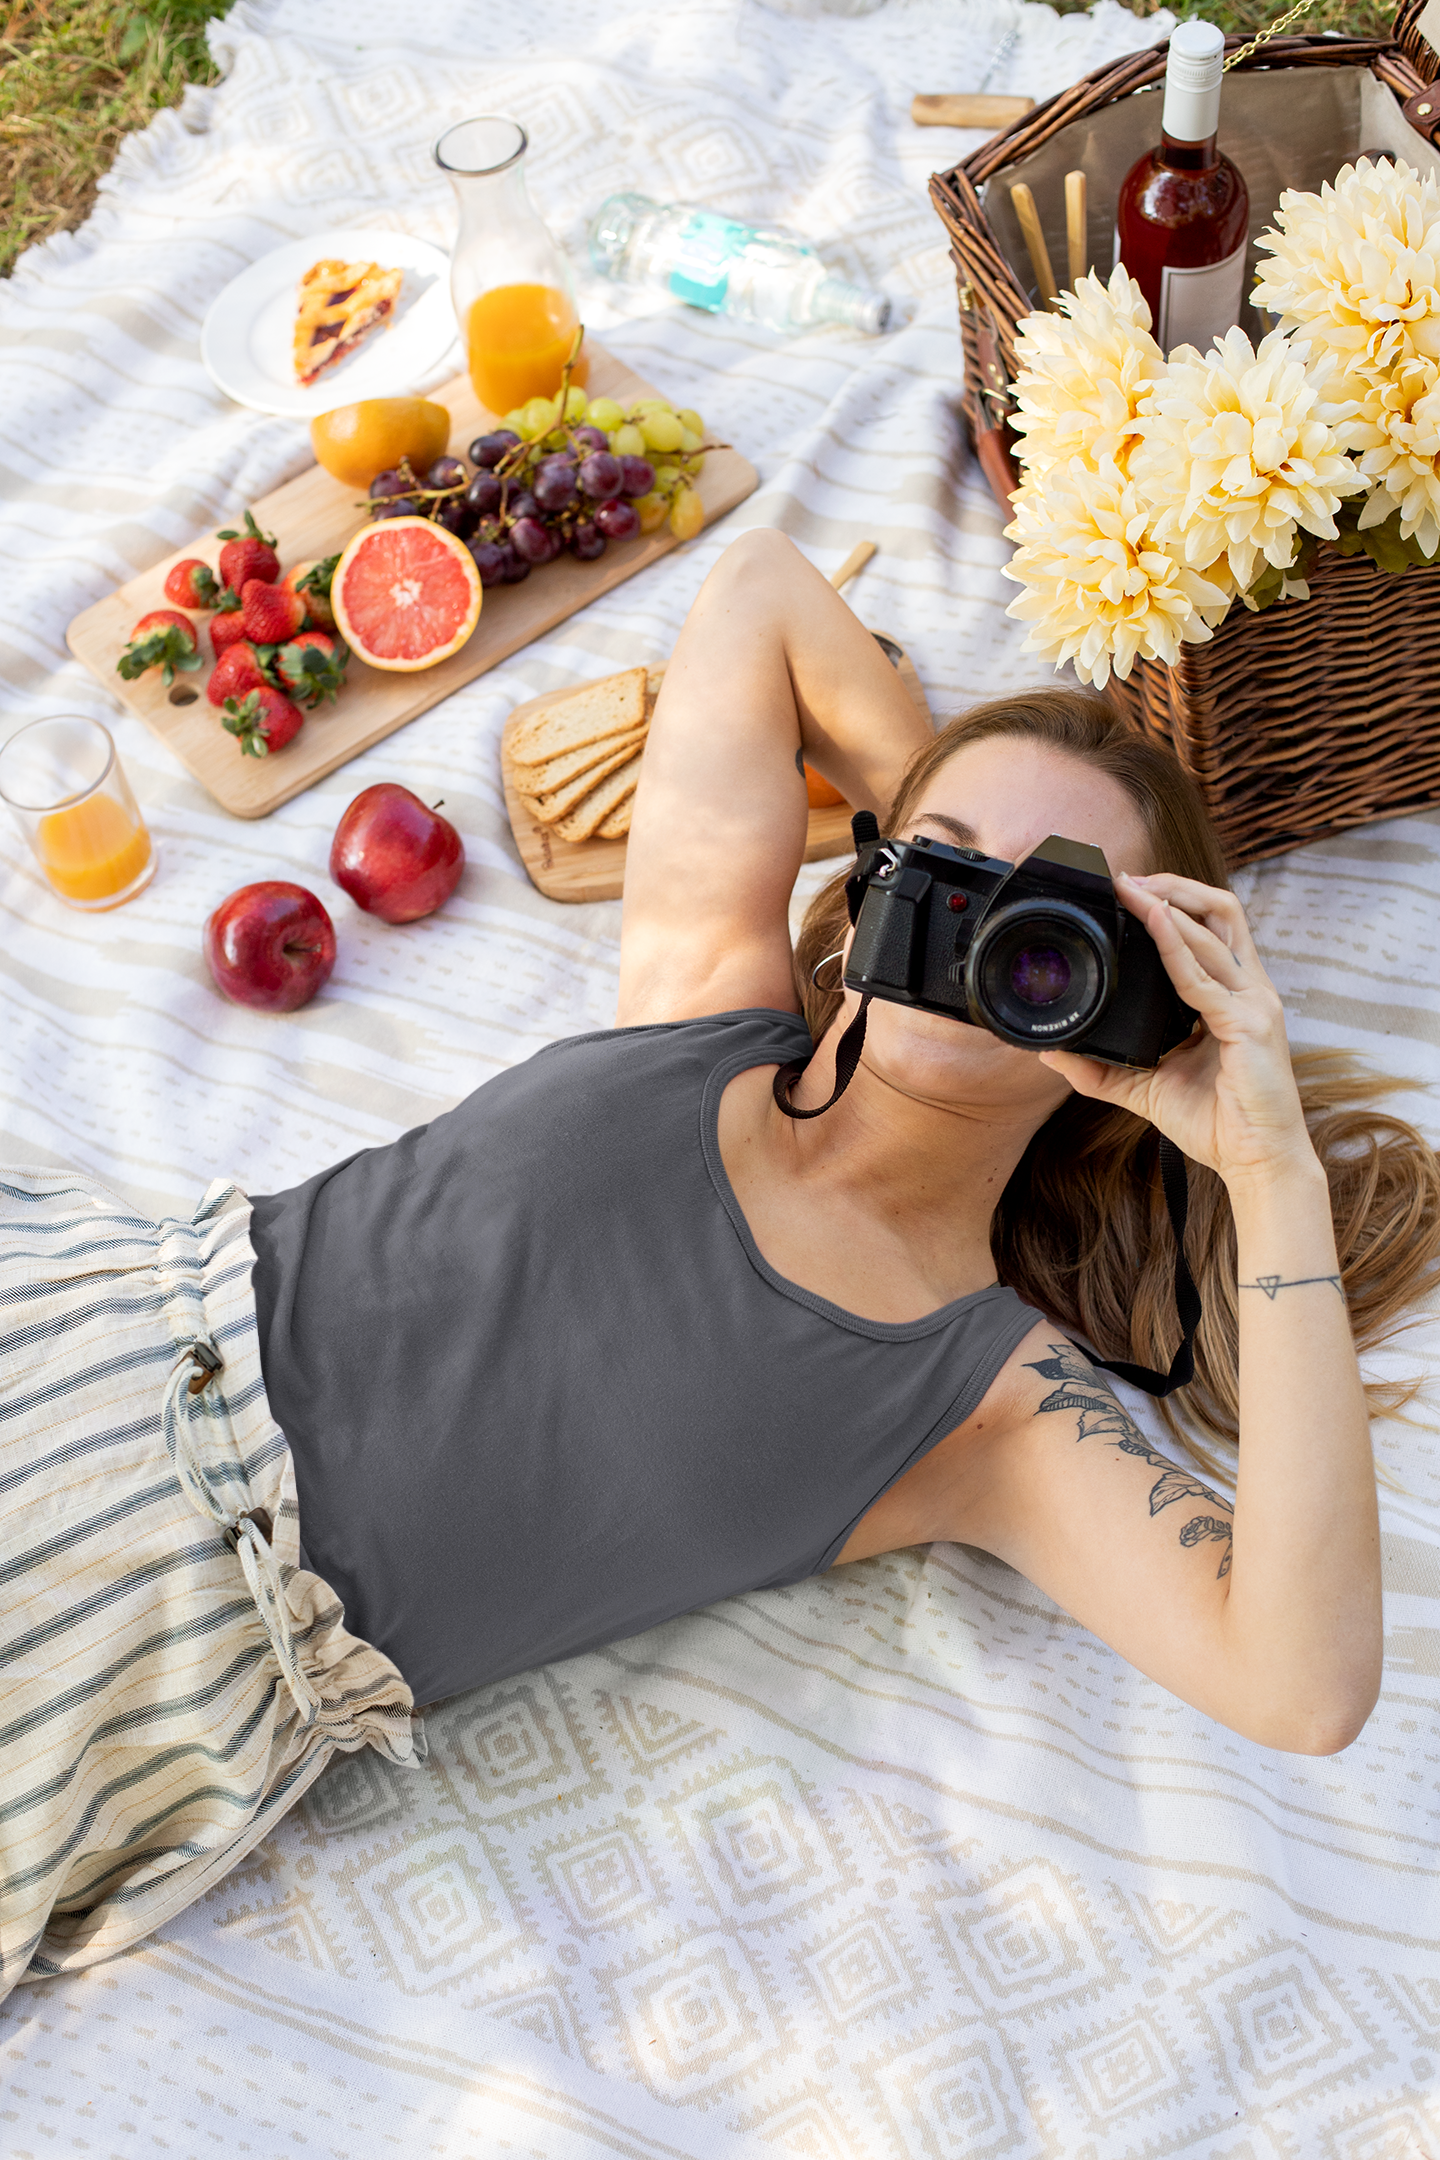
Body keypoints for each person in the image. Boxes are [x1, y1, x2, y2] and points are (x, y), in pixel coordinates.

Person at [3, 530, 1437, 2001]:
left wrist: (1260, 1155)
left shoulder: (988, 1401)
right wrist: (971, 857)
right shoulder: (705, 1002)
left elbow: (1304, 1683)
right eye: (944, 871)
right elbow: (759, 593)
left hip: (145, 1635)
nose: (984, 920)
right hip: (81, 1315)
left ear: (1138, 1009)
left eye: (1049, 921)